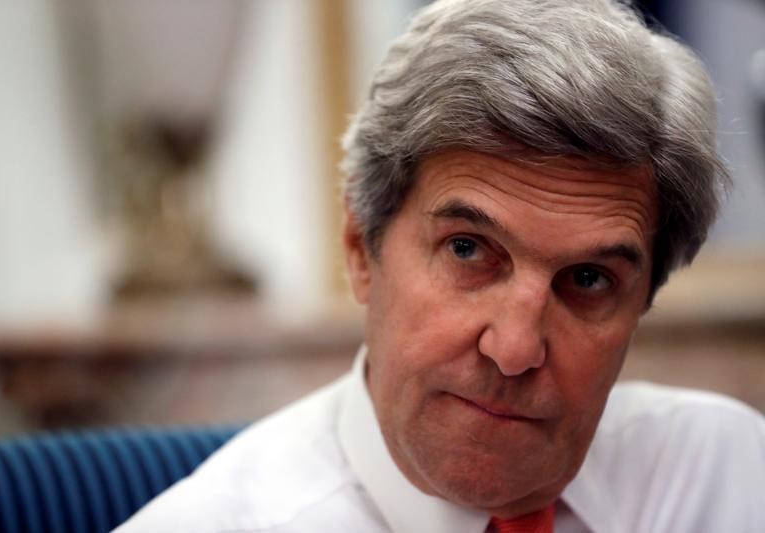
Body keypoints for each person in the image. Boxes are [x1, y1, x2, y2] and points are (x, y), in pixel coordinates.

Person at [116, 0, 765, 531]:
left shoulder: (725, 478)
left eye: (589, 279)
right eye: (468, 250)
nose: (515, 348)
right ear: (358, 245)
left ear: (642, 305)